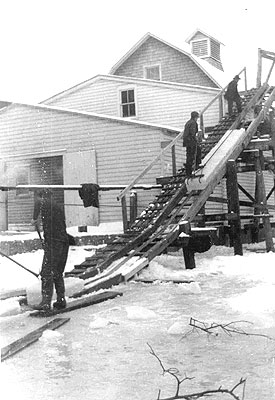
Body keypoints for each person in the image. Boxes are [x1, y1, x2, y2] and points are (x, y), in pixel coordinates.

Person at [31, 189, 69, 312]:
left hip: (54, 242)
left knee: (47, 273)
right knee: (57, 272)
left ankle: (45, 303)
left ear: (41, 196)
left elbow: (39, 203)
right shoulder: (56, 205)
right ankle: (60, 300)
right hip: (63, 241)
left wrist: (34, 218)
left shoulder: (46, 203)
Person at [183, 111, 202, 177]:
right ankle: (196, 165)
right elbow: (192, 133)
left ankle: (188, 171)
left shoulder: (188, 122)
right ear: (195, 117)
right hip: (191, 141)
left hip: (187, 142)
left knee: (189, 156)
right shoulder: (193, 123)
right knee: (197, 151)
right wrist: (195, 139)